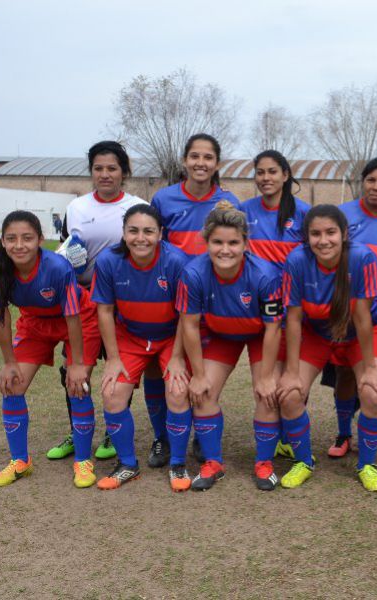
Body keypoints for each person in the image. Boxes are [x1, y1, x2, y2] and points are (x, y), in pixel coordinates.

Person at [0, 211, 100, 488]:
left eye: (27, 238)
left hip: (78, 319)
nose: (19, 245)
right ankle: (20, 462)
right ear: (2, 241)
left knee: (77, 384)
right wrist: (9, 361)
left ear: (40, 240)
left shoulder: (57, 267)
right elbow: (0, 314)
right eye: (11, 239)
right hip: (35, 323)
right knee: (12, 385)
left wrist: (77, 364)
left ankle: (83, 462)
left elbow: (73, 315)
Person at [277, 205, 377, 491]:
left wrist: (373, 369)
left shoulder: (363, 258)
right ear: (306, 237)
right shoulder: (297, 260)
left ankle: (366, 464)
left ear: (344, 234)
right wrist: (290, 372)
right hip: (317, 334)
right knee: (290, 394)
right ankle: (303, 461)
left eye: (330, 232)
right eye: (315, 234)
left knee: (372, 394)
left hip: (361, 333)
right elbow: (293, 319)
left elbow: (363, 317)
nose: (323, 240)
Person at [176, 201, 285, 491]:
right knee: (202, 392)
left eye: (233, 242)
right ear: (206, 242)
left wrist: (265, 377)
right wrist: (198, 375)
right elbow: (188, 325)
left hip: (261, 334)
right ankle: (213, 462)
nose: (225, 249)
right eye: (217, 242)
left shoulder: (266, 274)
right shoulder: (193, 274)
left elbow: (274, 327)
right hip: (220, 334)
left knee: (267, 394)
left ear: (245, 244)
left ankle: (264, 463)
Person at [50, 141, 147, 463]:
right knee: (75, 367)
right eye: (98, 168)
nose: (105, 175)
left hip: (123, 300)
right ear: (91, 171)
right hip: (82, 298)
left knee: (119, 367)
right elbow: (64, 251)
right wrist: (66, 258)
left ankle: (111, 431)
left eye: (112, 168)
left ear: (124, 172)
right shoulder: (76, 207)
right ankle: (77, 430)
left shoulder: (138, 206)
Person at [151, 133, 240, 463]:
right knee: (161, 371)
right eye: (195, 156)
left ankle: (203, 433)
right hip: (170, 299)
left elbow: (238, 247)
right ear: (185, 161)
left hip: (211, 299)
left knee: (204, 369)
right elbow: (155, 242)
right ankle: (161, 438)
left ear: (217, 163)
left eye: (208, 157)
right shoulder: (164, 199)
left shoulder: (229, 202)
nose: (201, 163)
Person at [91, 204, 192, 491]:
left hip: (171, 337)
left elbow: (187, 315)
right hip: (131, 337)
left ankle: (178, 464)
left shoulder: (176, 261)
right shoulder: (109, 261)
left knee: (177, 390)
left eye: (148, 231)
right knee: (112, 393)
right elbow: (105, 311)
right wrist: (112, 358)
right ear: (123, 233)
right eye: (133, 231)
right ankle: (127, 465)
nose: (141, 238)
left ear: (161, 233)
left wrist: (177, 358)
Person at [329, 157, 377, 458]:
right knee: (344, 371)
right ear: (362, 181)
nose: (376, 186)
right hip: (341, 305)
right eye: (371, 180)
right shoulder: (342, 214)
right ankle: (344, 432)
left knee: (371, 372)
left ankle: (368, 442)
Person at [241, 150, 309, 461]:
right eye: (260, 172)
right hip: (260, 313)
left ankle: (289, 439)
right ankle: (275, 441)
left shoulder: (305, 214)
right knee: (266, 381)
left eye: (272, 172)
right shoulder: (244, 212)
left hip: (295, 312)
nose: (265, 178)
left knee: (288, 381)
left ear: (285, 175)